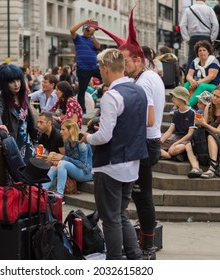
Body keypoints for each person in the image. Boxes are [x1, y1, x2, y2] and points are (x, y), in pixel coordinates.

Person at [96, 7, 165, 259]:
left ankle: (147, 247)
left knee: (140, 198)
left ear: (137, 59)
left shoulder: (144, 81)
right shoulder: (150, 77)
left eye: (125, 61)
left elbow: (148, 119)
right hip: (147, 142)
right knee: (136, 199)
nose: (122, 66)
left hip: (143, 144)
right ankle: (143, 248)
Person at [80, 48, 148, 260]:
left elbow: (104, 137)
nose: (99, 72)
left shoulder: (112, 96)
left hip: (110, 163)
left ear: (106, 68)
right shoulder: (139, 91)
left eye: (100, 68)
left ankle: (114, 262)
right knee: (120, 214)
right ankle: (135, 255)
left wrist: (87, 138)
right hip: (132, 162)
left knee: (110, 219)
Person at [186, 84, 220, 179]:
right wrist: (199, 123)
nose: (214, 98)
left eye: (217, 96)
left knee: (211, 137)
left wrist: (204, 124)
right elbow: (204, 125)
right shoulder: (209, 106)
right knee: (189, 144)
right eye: (213, 95)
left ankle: (213, 168)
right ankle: (196, 168)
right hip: (210, 132)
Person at [0, 64, 38, 163]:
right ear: (5, 83)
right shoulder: (1, 97)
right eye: (11, 81)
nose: (16, 84)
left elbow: (30, 122)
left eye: (18, 80)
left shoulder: (24, 96)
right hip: (13, 146)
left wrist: (35, 142)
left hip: (27, 144)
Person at [42, 119, 93, 204]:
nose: (60, 132)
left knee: (62, 164)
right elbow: (68, 160)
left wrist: (63, 158)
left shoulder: (81, 144)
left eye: (63, 129)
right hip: (75, 169)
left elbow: (82, 164)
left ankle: (59, 196)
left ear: (71, 130)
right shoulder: (66, 142)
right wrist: (58, 161)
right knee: (54, 167)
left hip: (86, 173)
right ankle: (41, 191)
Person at [70, 18, 102, 114]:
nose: (88, 33)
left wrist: (93, 35)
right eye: (87, 30)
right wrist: (84, 22)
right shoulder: (78, 39)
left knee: (108, 79)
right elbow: (72, 30)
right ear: (83, 30)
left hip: (94, 67)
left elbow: (98, 46)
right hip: (83, 69)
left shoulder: (92, 39)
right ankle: (82, 110)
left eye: (90, 31)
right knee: (82, 90)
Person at [179, 0, 219, 74]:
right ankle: (207, 79)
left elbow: (182, 25)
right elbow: (215, 24)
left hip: (193, 37)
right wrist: (212, 38)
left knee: (191, 60)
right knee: (208, 60)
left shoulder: (189, 9)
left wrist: (187, 39)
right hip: (206, 37)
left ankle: (188, 81)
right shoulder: (209, 9)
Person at [160, 87, 196, 161]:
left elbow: (189, 134)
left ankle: (169, 154)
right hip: (176, 138)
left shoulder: (192, 113)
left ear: (181, 98)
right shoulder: (176, 113)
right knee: (153, 147)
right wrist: (160, 142)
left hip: (186, 140)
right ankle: (173, 156)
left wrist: (175, 144)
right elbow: (170, 131)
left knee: (175, 149)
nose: (172, 99)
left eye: (174, 97)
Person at [184, 40, 220, 108]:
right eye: (200, 50)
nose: (202, 52)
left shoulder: (213, 61)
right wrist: (192, 81)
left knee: (202, 86)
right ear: (197, 53)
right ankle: (178, 104)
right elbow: (189, 75)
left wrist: (197, 83)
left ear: (208, 52)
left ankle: (187, 106)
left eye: (204, 50)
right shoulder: (195, 62)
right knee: (187, 84)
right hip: (198, 83)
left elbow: (211, 77)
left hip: (214, 86)